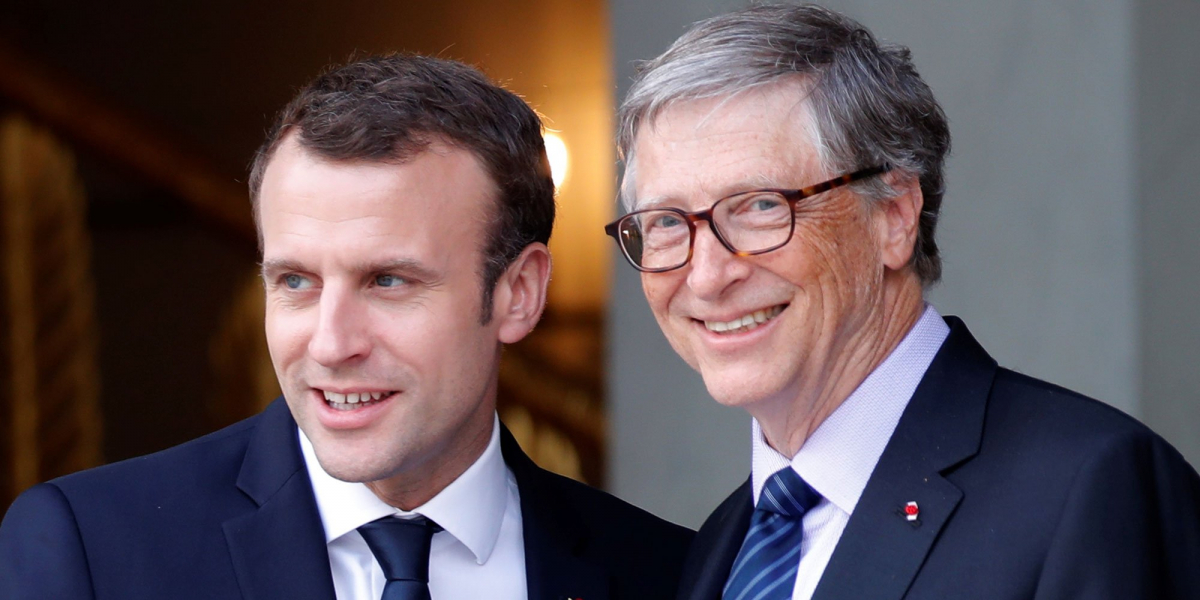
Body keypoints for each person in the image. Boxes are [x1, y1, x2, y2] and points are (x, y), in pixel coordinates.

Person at [0, 53, 692, 600]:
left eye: (387, 281)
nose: (331, 344)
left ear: (519, 293)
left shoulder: (670, 574)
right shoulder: (92, 552)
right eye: (295, 282)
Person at [606, 4, 1200, 600]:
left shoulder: (1087, 486)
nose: (707, 276)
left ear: (893, 217)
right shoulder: (720, 547)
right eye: (666, 221)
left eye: (761, 206)